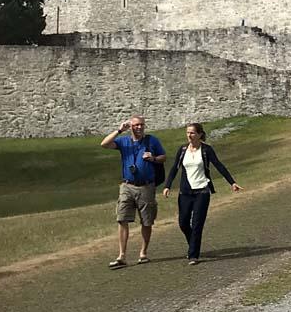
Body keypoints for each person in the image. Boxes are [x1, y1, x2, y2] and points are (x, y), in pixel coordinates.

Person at [162, 122, 242, 264]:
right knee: (183, 223)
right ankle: (193, 244)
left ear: (199, 134)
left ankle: (193, 255)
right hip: (185, 192)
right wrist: (167, 186)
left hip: (202, 191)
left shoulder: (206, 150)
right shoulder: (182, 150)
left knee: (197, 223)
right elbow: (175, 168)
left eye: (192, 133)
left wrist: (232, 182)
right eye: (187, 133)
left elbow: (219, 165)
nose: (189, 136)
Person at [101, 115, 166, 269]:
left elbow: (163, 157)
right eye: (136, 125)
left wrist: (153, 158)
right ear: (130, 126)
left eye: (141, 125)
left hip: (146, 186)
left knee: (147, 220)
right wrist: (119, 130)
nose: (139, 127)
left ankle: (143, 253)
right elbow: (104, 144)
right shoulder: (124, 141)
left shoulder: (152, 141)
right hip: (127, 185)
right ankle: (122, 255)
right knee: (122, 218)